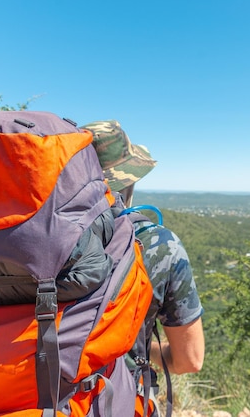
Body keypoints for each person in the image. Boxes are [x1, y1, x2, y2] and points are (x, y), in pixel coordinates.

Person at [82, 119, 205, 378]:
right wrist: (149, 350)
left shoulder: (28, 240)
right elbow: (190, 360)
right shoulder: (160, 246)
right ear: (129, 182)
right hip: (116, 397)